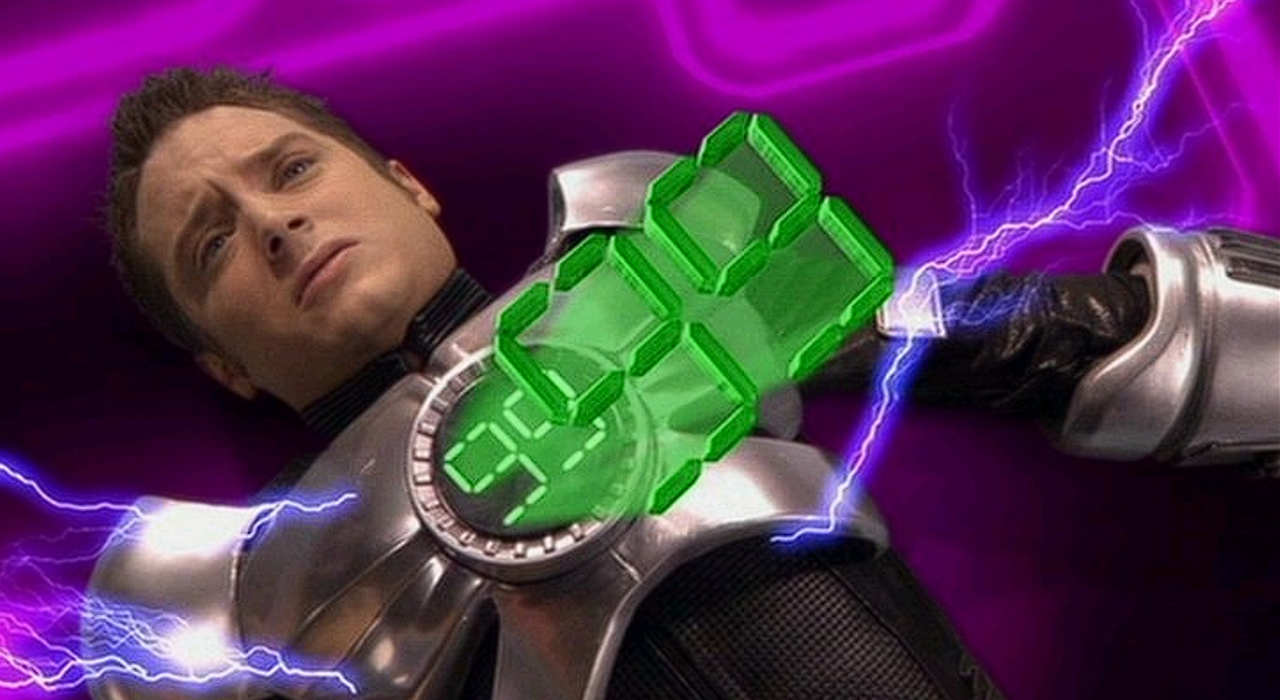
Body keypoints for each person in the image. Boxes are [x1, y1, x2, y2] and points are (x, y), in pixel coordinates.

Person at [82, 66, 1277, 699]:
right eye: (211, 241)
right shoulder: (212, 609)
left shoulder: (640, 244)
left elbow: (1017, 338)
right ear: (222, 365)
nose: (273, 223)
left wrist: (1202, 339)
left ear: (409, 183)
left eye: (291, 169)